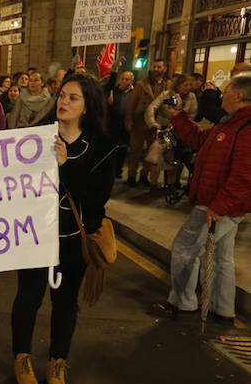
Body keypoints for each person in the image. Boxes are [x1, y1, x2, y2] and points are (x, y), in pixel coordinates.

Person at [11, 72, 117, 384]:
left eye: (73, 97)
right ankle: (22, 359)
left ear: (87, 106)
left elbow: (97, 197)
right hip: (34, 234)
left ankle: (58, 363)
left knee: (65, 301)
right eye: (62, 95)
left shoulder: (102, 146)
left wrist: (65, 164)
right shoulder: (34, 138)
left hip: (73, 238)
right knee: (28, 297)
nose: (64, 102)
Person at [149, 71, 251, 325]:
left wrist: (219, 205)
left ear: (237, 96)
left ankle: (182, 302)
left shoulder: (246, 128)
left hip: (217, 205)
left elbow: (244, 176)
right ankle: (222, 308)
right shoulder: (229, 123)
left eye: (224, 91)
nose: (220, 95)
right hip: (219, 204)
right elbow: (199, 139)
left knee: (185, 249)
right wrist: (180, 116)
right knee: (220, 257)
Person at [125, 59, 167, 187]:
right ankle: (131, 176)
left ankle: (144, 176)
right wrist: (128, 119)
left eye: (159, 67)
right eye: (154, 66)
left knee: (151, 151)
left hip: (157, 122)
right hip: (140, 121)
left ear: (164, 68)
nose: (156, 69)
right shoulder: (141, 84)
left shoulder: (167, 85)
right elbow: (131, 103)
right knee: (135, 150)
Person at [107, 71, 135, 179]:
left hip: (126, 124)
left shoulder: (134, 92)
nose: (124, 81)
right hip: (113, 123)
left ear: (131, 81)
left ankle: (118, 169)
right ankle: (111, 169)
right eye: (122, 78)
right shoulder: (114, 90)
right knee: (112, 147)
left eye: (127, 79)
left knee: (123, 148)